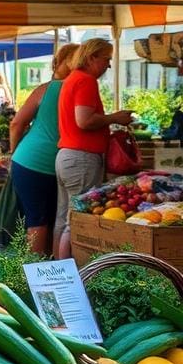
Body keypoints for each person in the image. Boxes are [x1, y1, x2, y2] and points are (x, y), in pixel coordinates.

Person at [55, 39, 135, 258]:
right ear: (91, 57)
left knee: (64, 218)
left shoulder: (71, 79)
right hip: (82, 159)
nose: (108, 65)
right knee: (77, 221)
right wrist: (115, 118)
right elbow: (84, 120)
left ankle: (58, 270)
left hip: (67, 156)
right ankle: (71, 273)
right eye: (106, 59)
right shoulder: (86, 81)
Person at [8, 43, 79, 256]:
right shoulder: (77, 89)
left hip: (28, 161)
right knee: (46, 221)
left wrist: (13, 153)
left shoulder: (45, 89)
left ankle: (38, 274)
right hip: (50, 163)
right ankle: (36, 275)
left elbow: (16, 124)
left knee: (38, 220)